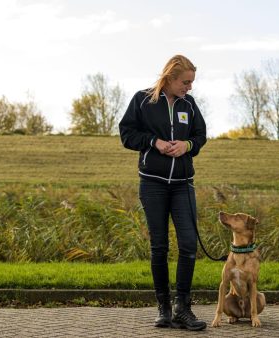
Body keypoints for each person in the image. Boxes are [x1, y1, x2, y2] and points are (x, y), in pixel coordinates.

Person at [118, 55, 207, 331]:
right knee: (159, 247)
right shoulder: (143, 100)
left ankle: (183, 308)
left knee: (189, 244)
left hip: (183, 184)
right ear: (170, 77)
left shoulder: (189, 105)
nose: (189, 87)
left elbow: (201, 135)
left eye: (192, 82)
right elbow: (126, 134)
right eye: (186, 82)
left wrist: (188, 145)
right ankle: (164, 308)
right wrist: (152, 142)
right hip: (153, 183)